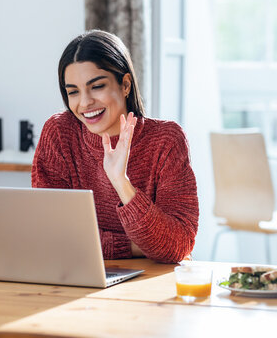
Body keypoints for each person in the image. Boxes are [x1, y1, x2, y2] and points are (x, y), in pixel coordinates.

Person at [32, 30, 198, 263]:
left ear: (125, 84)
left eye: (97, 86)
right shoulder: (60, 133)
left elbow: (177, 245)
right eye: (73, 92)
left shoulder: (167, 140)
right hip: (78, 280)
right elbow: (51, 235)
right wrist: (135, 247)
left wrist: (121, 181)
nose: (85, 102)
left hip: (149, 287)